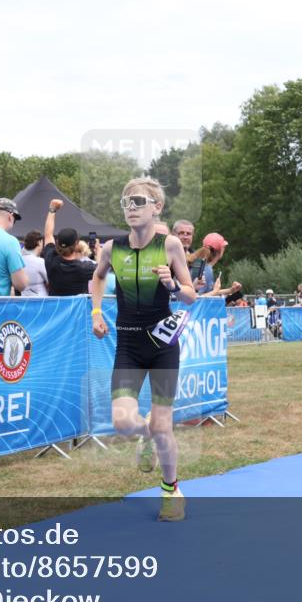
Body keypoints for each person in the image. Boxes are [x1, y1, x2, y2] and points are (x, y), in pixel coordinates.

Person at [90, 177, 195, 522]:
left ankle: (171, 491)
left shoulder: (170, 246)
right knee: (122, 422)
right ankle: (146, 434)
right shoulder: (111, 248)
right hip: (129, 344)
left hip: (163, 345)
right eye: (127, 203)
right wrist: (96, 312)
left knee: (164, 427)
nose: (131, 209)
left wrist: (172, 284)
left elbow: (191, 296)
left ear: (156, 208)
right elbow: (98, 276)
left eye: (139, 202)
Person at [41, 199, 96, 296]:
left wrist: (52, 210)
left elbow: (48, 235)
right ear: (76, 243)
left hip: (56, 306)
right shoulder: (83, 268)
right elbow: (103, 268)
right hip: (76, 306)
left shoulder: (51, 259)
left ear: (57, 242)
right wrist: (99, 251)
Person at [20, 230, 49, 297]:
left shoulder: (19, 260)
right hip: (41, 299)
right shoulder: (40, 261)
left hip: (24, 299)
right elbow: (49, 281)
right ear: (39, 242)